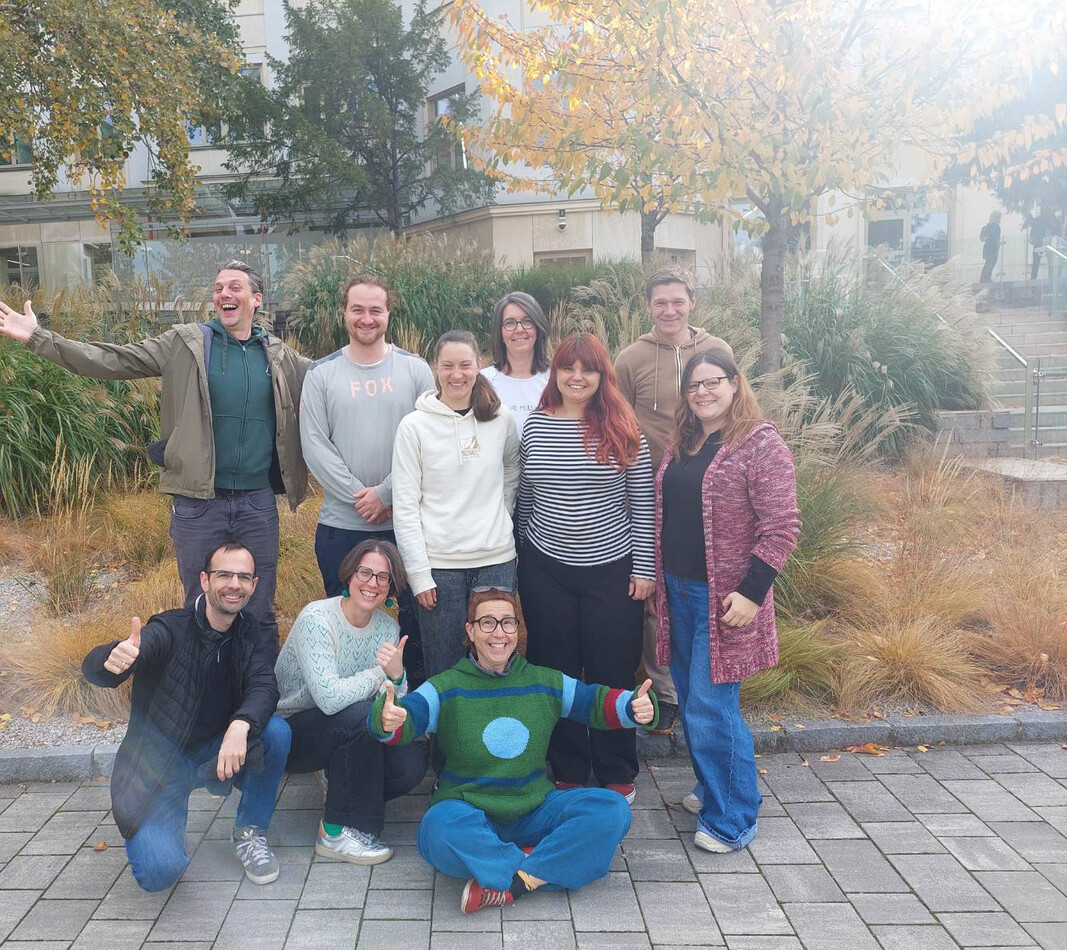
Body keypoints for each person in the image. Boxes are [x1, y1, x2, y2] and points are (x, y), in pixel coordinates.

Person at [0, 262, 309, 651]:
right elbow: (110, 359)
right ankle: (202, 684)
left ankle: (260, 685)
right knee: (200, 606)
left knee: (259, 607)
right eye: (218, 288)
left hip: (257, 504)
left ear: (256, 299)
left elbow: (330, 379)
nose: (224, 294)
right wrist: (38, 337)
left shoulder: (279, 355)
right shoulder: (185, 342)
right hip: (198, 503)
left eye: (235, 287)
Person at [367, 588, 659, 913]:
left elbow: (592, 702)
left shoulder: (541, 681)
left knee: (612, 810)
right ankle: (542, 865)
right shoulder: (447, 686)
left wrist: (633, 707)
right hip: (469, 808)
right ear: (470, 630)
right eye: (487, 623)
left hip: (534, 808)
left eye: (508, 623)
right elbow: (409, 718)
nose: (499, 633)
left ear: (517, 630)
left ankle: (512, 880)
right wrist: (388, 719)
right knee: (436, 830)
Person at [654, 348, 800, 853]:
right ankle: (712, 785)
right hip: (678, 591)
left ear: (735, 384)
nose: (703, 392)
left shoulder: (759, 442)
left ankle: (734, 817)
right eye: (694, 385)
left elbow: (782, 526)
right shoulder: (684, 441)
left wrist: (752, 593)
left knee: (711, 706)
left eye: (713, 382)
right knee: (692, 699)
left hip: (725, 601)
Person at [82, 541, 290, 891]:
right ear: (205, 580)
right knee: (159, 873)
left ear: (254, 585)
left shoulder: (249, 630)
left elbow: (264, 685)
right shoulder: (169, 628)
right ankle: (168, 822)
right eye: (224, 575)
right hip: (160, 767)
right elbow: (123, 656)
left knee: (276, 733)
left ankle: (249, 833)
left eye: (243, 577)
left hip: (215, 756)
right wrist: (110, 659)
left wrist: (240, 725)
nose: (234, 584)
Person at [516, 332, 654, 803]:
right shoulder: (535, 427)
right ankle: (569, 768)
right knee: (556, 670)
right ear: (555, 372)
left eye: (587, 369)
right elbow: (526, 498)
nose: (577, 377)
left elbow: (643, 504)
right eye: (567, 368)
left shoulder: (623, 426)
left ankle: (616, 768)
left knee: (611, 669)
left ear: (601, 376)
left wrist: (645, 569)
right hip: (545, 569)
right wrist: (521, 559)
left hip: (612, 569)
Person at [614, 266, 733, 735]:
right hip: (651, 489)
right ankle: (665, 693)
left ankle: (706, 687)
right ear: (648, 306)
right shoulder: (631, 359)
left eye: (677, 301)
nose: (669, 310)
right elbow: (618, 421)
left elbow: (734, 408)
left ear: (692, 303)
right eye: (660, 302)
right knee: (656, 591)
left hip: (709, 485)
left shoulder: (716, 350)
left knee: (705, 585)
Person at [299, 273, 433, 680]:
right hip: (342, 526)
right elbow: (315, 445)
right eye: (357, 309)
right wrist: (363, 496)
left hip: (405, 526)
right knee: (347, 625)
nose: (366, 318)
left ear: (389, 314)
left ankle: (410, 708)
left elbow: (429, 440)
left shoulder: (415, 370)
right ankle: (350, 709)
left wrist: (387, 494)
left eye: (376, 309)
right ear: (344, 313)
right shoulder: (321, 373)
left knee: (412, 629)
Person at [275, 539, 427, 864]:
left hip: (351, 727)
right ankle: (337, 831)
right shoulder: (317, 619)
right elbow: (329, 700)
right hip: (294, 729)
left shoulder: (388, 628)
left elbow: (391, 701)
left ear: (391, 587)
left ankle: (342, 783)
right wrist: (380, 674)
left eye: (383, 577)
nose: (372, 583)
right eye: (365, 572)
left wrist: (398, 677)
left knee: (411, 762)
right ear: (349, 574)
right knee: (361, 714)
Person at [391, 329, 520, 680]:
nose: (457, 374)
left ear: (479, 365)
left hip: (495, 561)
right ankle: (447, 720)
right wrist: (419, 574)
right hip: (439, 568)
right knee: (444, 666)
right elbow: (405, 505)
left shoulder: (501, 418)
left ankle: (494, 719)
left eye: (465, 365)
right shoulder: (414, 426)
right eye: (447, 365)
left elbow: (511, 467)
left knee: (495, 659)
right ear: (436, 366)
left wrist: (500, 514)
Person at [481, 292, 551, 434]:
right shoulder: (483, 381)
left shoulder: (556, 380)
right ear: (500, 332)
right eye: (510, 323)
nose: (519, 329)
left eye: (527, 321)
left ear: (538, 328)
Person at [980, 211, 1002, 283]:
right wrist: (998, 243)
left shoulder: (988, 226)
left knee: (989, 263)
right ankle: (985, 279)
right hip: (992, 248)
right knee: (990, 263)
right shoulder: (995, 226)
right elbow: (995, 237)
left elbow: (983, 238)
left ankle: (984, 279)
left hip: (989, 247)